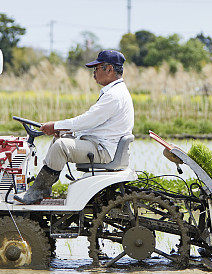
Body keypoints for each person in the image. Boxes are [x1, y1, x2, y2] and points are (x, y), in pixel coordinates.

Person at [14, 49, 134, 205]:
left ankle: (39, 190)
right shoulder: (115, 92)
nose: (94, 73)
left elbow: (87, 121)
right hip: (102, 145)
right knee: (61, 139)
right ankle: (40, 187)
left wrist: (56, 125)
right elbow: (92, 124)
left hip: (104, 150)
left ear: (109, 69)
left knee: (62, 146)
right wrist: (62, 130)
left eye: (96, 68)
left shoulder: (113, 96)